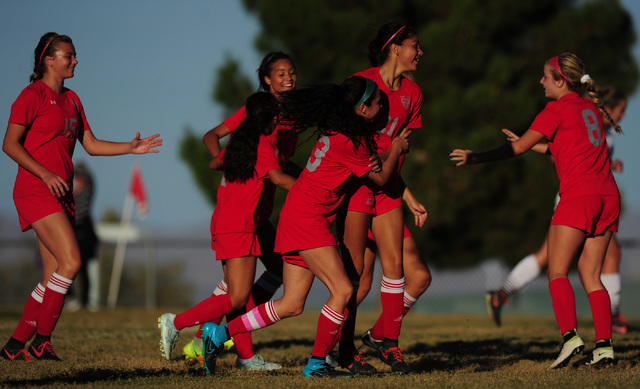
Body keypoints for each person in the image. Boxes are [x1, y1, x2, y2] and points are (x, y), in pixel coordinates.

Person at [202, 76, 410, 378]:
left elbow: (366, 165)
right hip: (307, 220)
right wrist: (397, 149)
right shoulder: (349, 141)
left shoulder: (342, 132)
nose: (382, 105)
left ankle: (218, 335)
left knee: (291, 304)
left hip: (299, 216)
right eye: (377, 101)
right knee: (341, 289)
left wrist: (380, 156)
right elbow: (379, 178)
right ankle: (316, 365)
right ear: (362, 109)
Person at [450, 53, 621, 368]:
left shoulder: (555, 109)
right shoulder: (591, 109)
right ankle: (605, 348)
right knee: (591, 276)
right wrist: (534, 143)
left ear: (560, 80)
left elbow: (516, 149)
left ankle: (570, 338)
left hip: (579, 196)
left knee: (556, 271)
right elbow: (564, 147)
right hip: (608, 196)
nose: (541, 81)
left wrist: (476, 158)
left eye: (545, 76)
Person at [1, 32, 162, 361]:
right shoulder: (30, 95)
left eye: (74, 56)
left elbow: (90, 145)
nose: (75, 61)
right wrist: (45, 173)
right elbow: (9, 144)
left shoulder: (73, 99)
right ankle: (42, 340)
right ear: (49, 60)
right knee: (72, 262)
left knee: (52, 276)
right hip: (35, 190)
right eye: (68, 56)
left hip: (61, 195)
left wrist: (130, 147)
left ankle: (14, 348)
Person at [174, 52, 299, 370]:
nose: (288, 77)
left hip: (259, 212)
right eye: (280, 72)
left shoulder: (293, 116)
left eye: (292, 71)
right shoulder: (257, 112)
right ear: (267, 79)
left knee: (270, 275)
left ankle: (214, 336)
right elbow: (211, 137)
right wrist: (229, 165)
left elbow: (279, 166)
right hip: (244, 215)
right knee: (239, 290)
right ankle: (221, 342)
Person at [485, 86, 628, 333]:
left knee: (572, 260)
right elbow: (558, 153)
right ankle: (606, 323)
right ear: (608, 108)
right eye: (621, 110)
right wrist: (524, 144)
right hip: (576, 196)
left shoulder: (603, 130)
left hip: (590, 197)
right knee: (558, 262)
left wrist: (609, 164)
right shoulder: (584, 118)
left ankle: (501, 294)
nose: (624, 116)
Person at [333, 22, 430, 374]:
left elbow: (398, 150)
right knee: (355, 278)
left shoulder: (413, 94)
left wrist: (406, 194)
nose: (419, 52)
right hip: (358, 188)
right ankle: (344, 350)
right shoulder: (361, 82)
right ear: (394, 49)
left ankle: (390, 345)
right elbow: (343, 136)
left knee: (396, 270)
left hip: (388, 190)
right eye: (414, 46)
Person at [66, 161, 100, 311]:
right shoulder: (89, 180)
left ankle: (73, 298)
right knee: (82, 267)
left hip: (73, 225)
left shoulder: (73, 177)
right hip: (80, 227)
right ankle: (82, 300)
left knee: (66, 264)